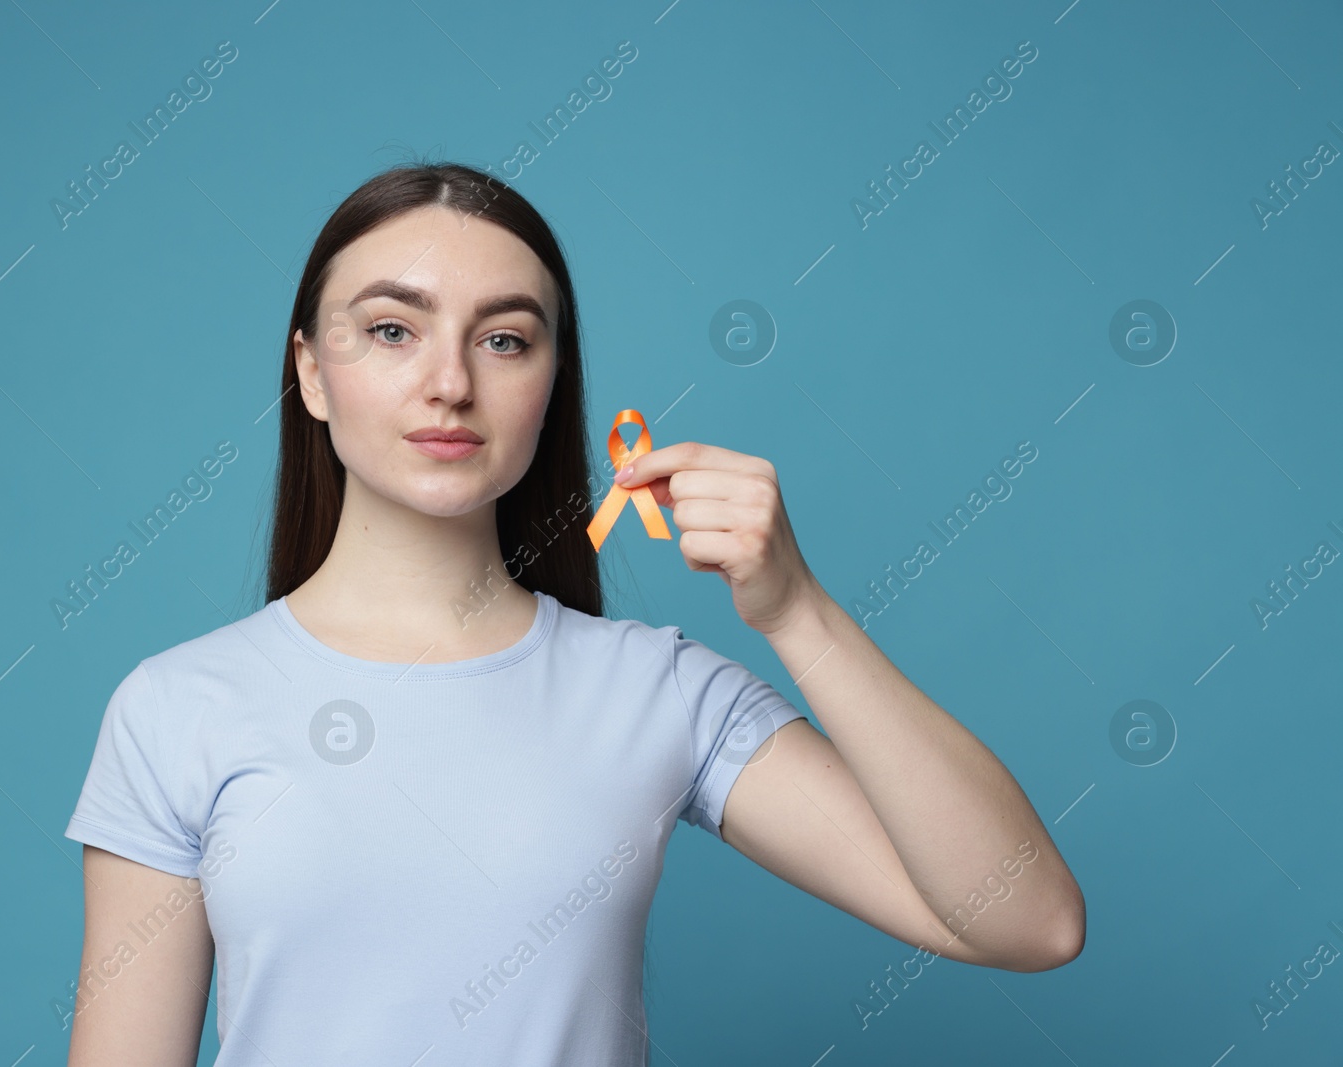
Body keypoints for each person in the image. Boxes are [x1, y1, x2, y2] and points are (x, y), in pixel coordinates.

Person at [62, 160, 1085, 1066]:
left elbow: (1027, 919)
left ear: (550, 385)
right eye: (390, 330)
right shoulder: (177, 706)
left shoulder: (658, 689)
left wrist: (797, 611)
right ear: (310, 373)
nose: (450, 381)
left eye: (504, 339)